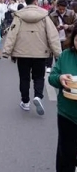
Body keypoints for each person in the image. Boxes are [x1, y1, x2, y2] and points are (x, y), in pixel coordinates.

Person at [2, 0, 62, 115]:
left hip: (22, 53)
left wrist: (6, 51)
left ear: (26, 1)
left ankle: (25, 102)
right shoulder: (45, 16)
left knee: (24, 78)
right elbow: (53, 36)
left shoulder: (19, 16)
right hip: (40, 53)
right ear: (36, 1)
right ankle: (38, 96)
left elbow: (12, 34)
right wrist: (58, 54)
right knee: (39, 77)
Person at [48, 26, 77, 172]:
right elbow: (52, 77)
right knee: (66, 153)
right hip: (67, 113)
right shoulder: (66, 55)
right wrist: (60, 78)